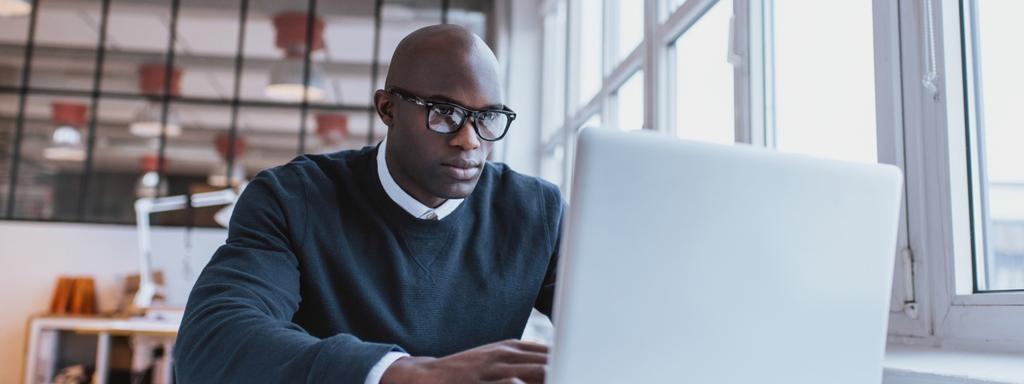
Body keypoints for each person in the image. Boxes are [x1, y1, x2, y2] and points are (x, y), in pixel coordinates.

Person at [174, 24, 564, 384]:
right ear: (388, 109)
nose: (470, 140)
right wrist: (401, 374)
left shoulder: (536, 212)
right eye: (444, 113)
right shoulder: (295, 198)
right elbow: (211, 341)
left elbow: (612, 322)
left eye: (488, 117)